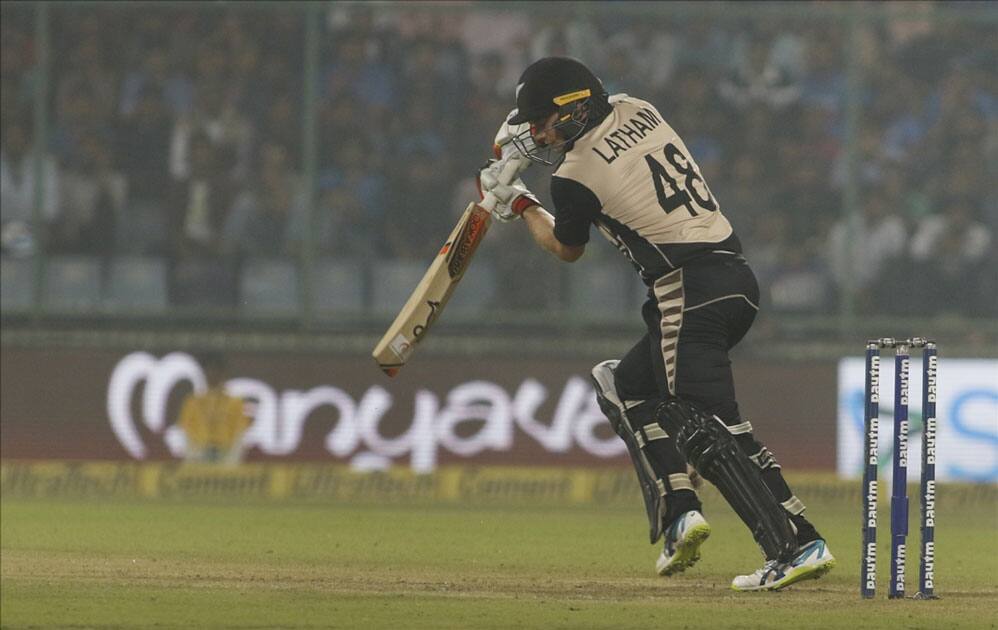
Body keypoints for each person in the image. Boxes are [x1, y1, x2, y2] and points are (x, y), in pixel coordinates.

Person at [477, 56, 834, 591]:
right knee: (623, 385)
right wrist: (526, 147)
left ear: (575, 110)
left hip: (686, 290)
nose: (539, 132)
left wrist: (521, 200)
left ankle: (795, 543)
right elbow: (599, 145)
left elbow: (566, 247)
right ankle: (680, 510)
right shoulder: (638, 107)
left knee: (707, 423)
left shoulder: (574, 179)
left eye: (545, 120)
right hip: (734, 279)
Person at [177, 353, 250, 466]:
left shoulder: (235, 403)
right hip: (199, 456)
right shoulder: (192, 402)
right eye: (209, 370)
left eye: (216, 370)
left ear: (223, 374)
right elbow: (186, 434)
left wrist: (232, 461)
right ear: (204, 374)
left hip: (225, 455)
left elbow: (239, 435)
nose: (212, 374)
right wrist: (192, 458)